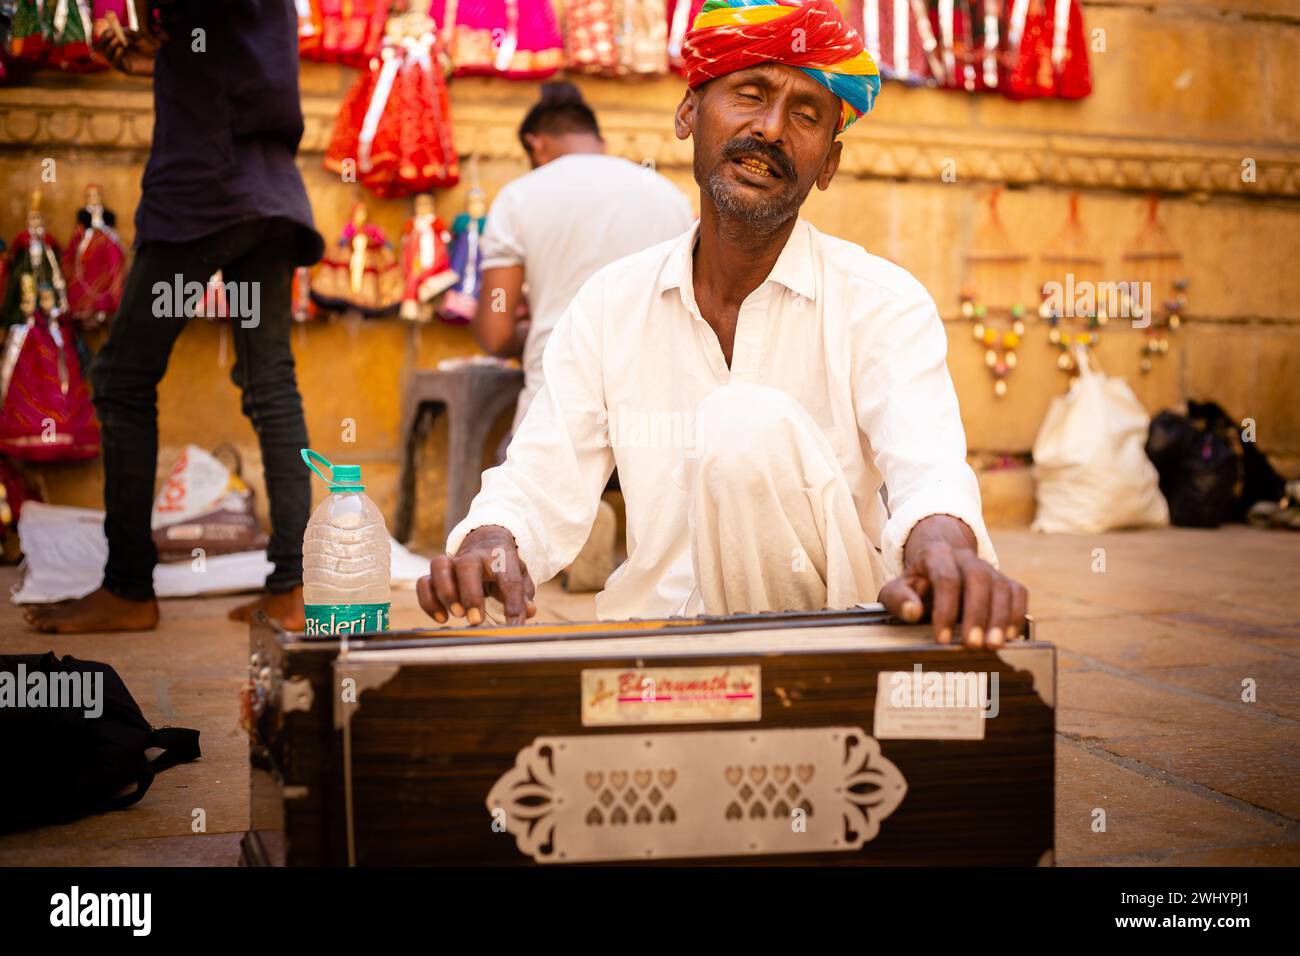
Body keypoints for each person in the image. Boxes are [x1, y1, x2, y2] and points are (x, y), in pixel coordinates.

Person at [418, 0, 1029, 648]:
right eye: (750, 93)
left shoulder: (882, 303)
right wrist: (490, 540)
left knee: (743, 424)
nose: (770, 128)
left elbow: (928, 469)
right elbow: (540, 480)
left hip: (827, 648)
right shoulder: (608, 306)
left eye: (805, 114)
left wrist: (943, 543)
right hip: (655, 650)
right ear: (689, 113)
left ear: (828, 164)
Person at [26, 0, 323, 633]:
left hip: (204, 186)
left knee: (123, 379)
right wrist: (157, 51)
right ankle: (293, 587)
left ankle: (130, 587)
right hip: (268, 192)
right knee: (272, 383)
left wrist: (143, 31)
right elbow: (219, 45)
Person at [472, 80, 695, 434]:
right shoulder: (671, 197)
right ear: (600, 143)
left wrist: (527, 332)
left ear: (535, 144)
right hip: (656, 423)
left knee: (506, 479)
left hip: (558, 418)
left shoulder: (518, 198)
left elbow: (495, 332)